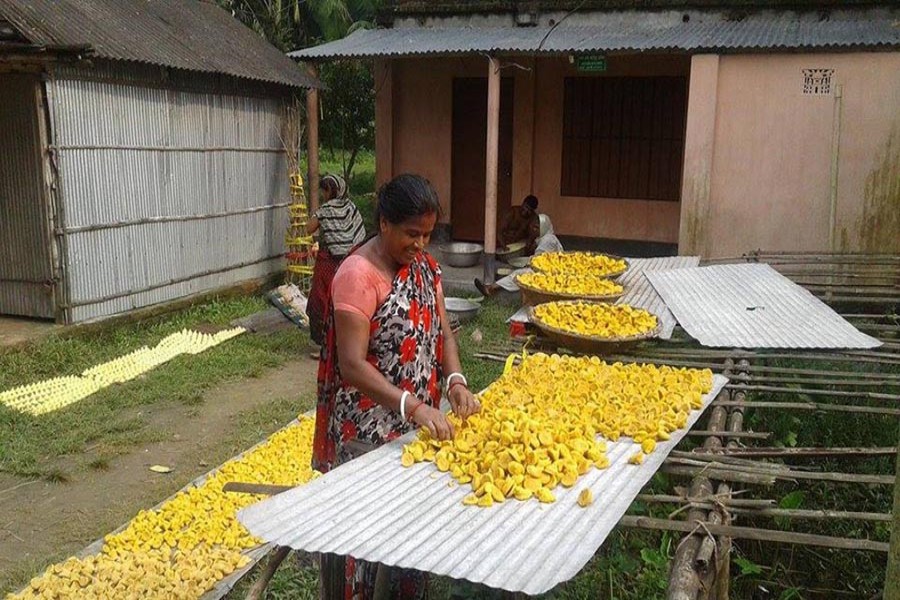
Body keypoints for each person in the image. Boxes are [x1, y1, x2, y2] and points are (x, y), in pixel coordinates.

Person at [313, 173, 480, 598]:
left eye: (427, 234)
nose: (421, 244)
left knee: (409, 537)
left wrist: (455, 382)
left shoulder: (425, 269)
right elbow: (351, 365)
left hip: (412, 428)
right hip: (367, 432)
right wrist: (413, 406)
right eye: (412, 234)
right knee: (367, 538)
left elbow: (442, 333)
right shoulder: (358, 275)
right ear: (384, 222)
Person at [306, 173, 367, 348]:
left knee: (320, 298)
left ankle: (321, 343)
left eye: (325, 191)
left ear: (329, 191)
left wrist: (317, 214)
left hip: (329, 263)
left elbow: (309, 229)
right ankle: (346, 340)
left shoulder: (326, 210)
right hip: (350, 263)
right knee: (345, 300)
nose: (323, 194)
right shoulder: (351, 208)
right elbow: (359, 234)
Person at [475, 213, 563, 297]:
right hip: (548, 269)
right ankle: (492, 288)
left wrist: (527, 263)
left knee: (519, 275)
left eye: (537, 228)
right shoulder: (546, 237)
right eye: (533, 227)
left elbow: (538, 261)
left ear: (544, 228)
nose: (533, 229)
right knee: (518, 273)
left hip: (552, 274)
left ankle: (490, 289)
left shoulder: (547, 241)